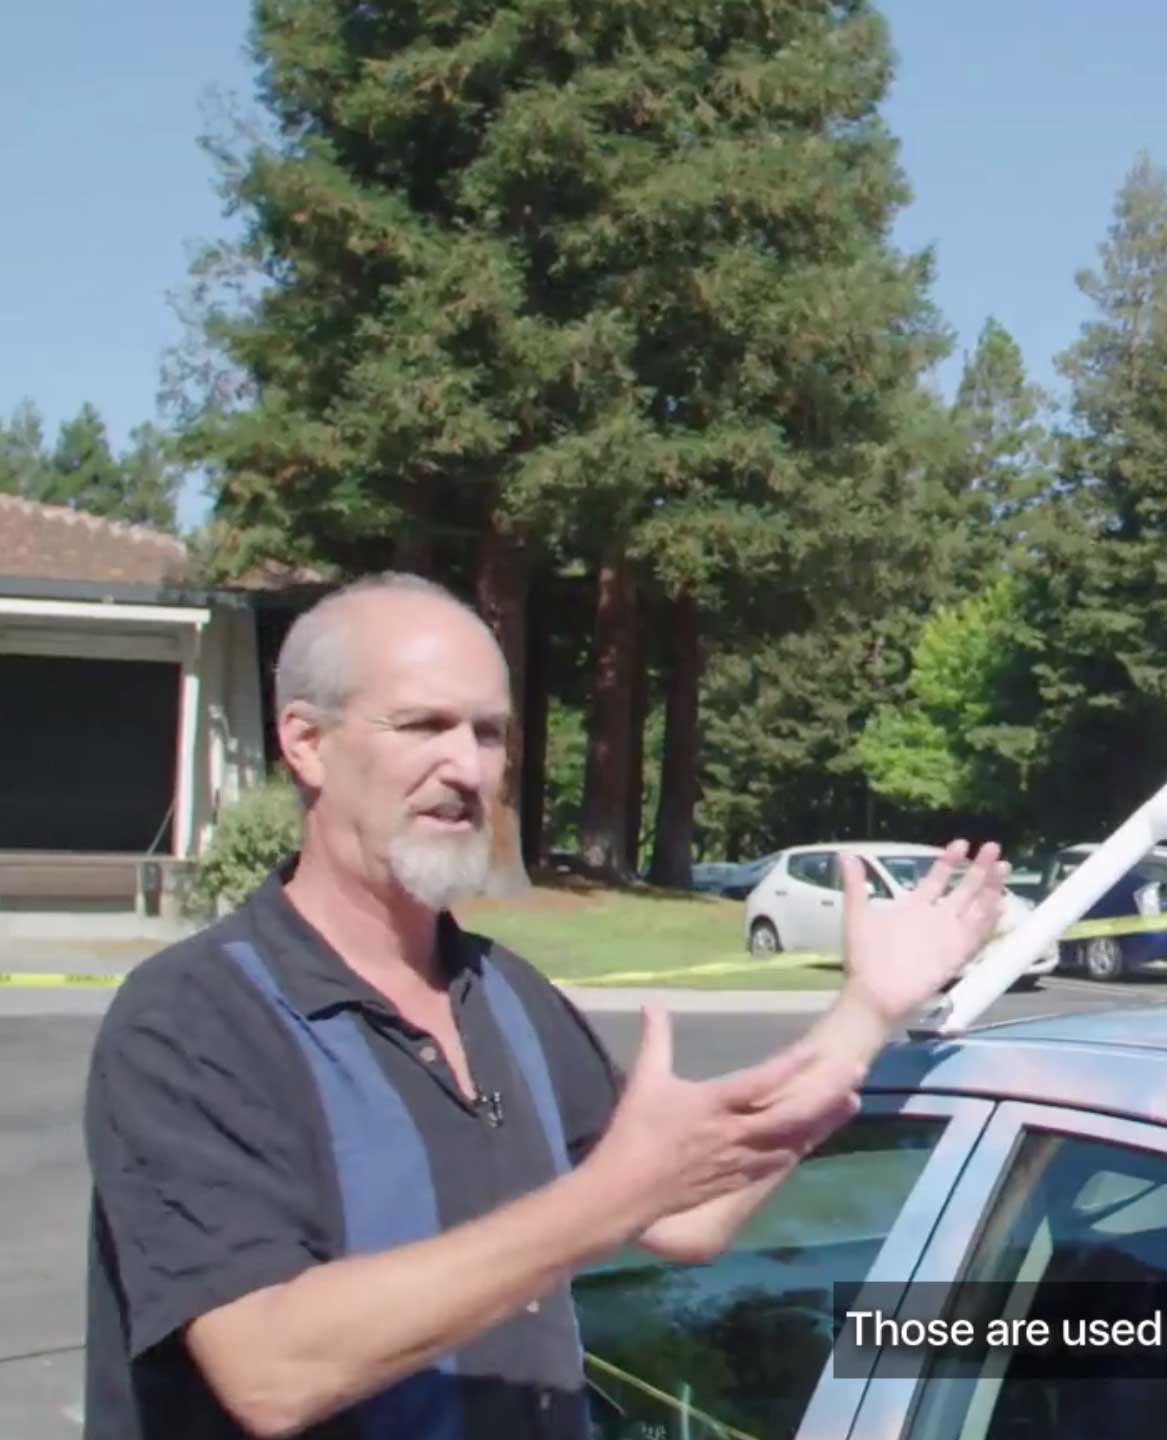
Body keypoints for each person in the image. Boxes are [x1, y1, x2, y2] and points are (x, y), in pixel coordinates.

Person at [81, 572, 1007, 1440]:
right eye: (424, 725)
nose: (467, 768)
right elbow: (269, 1369)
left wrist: (868, 1010)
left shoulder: (505, 996)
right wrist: (605, 1200)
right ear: (306, 742)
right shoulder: (193, 1020)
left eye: (488, 733)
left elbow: (684, 1216)